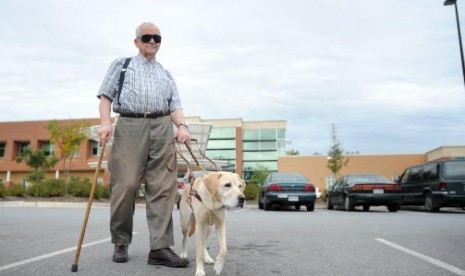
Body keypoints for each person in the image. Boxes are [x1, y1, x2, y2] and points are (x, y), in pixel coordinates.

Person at [97, 22, 190, 268]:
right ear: (136, 41)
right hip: (130, 125)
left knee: (163, 187)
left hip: (162, 126)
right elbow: (105, 97)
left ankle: (159, 247)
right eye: (146, 37)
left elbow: (175, 105)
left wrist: (182, 126)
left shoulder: (166, 73)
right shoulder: (122, 65)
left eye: (157, 38)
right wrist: (105, 123)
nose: (152, 41)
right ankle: (121, 240)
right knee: (125, 185)